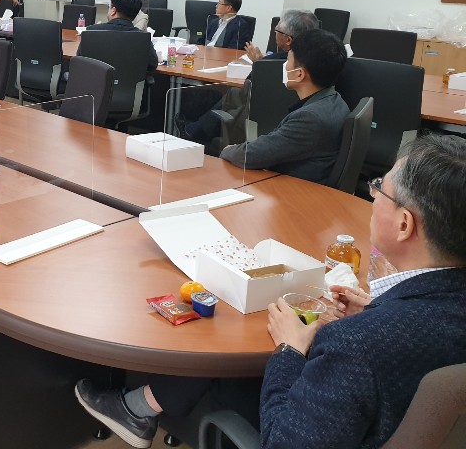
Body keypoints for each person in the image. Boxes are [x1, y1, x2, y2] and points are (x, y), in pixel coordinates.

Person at [76, 133, 466, 449]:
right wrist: (377, 312)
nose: (374, 196)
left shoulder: (356, 346)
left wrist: (288, 351)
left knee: (234, 346)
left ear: (403, 225)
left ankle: (137, 407)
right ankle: (142, 405)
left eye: (380, 190)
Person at [219, 29, 349, 184]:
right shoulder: (334, 101)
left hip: (290, 189)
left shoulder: (310, 119)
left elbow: (251, 155)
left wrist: (229, 150)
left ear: (299, 74)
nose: (285, 66)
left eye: (288, 61)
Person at [183, 9, 320, 144]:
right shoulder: (317, 63)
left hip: (255, 122)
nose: (275, 34)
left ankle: (195, 131)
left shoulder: (271, 64)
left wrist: (259, 64)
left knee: (228, 94)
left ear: (288, 40)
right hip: (295, 128)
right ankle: (197, 129)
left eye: (277, 31)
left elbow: (249, 86)